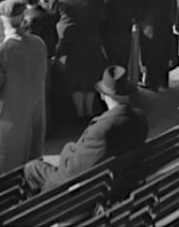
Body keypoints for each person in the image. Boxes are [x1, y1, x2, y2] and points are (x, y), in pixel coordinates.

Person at [23, 65, 148, 195]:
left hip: (89, 192)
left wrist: (67, 150)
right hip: (118, 182)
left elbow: (70, 172)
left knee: (32, 168)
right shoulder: (140, 118)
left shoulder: (101, 132)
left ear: (103, 95)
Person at [0, 0, 47, 178]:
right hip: (35, 113)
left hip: (10, 119)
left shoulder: (1, 51)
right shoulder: (39, 44)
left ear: (4, 20)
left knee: (7, 169)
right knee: (32, 166)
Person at [51, 0, 108, 120]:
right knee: (89, 78)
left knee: (73, 78)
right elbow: (102, 17)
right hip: (91, 41)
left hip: (68, 44)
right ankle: (89, 111)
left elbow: (52, 17)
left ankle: (79, 113)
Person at [133, 0, 179, 90]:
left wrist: (137, 17)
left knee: (150, 51)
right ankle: (164, 80)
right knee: (165, 48)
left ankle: (152, 83)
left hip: (148, 19)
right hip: (166, 14)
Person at [21, 0, 58, 136]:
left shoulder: (24, 19)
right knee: (46, 93)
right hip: (47, 56)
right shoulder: (48, 15)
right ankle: (49, 126)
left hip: (29, 60)